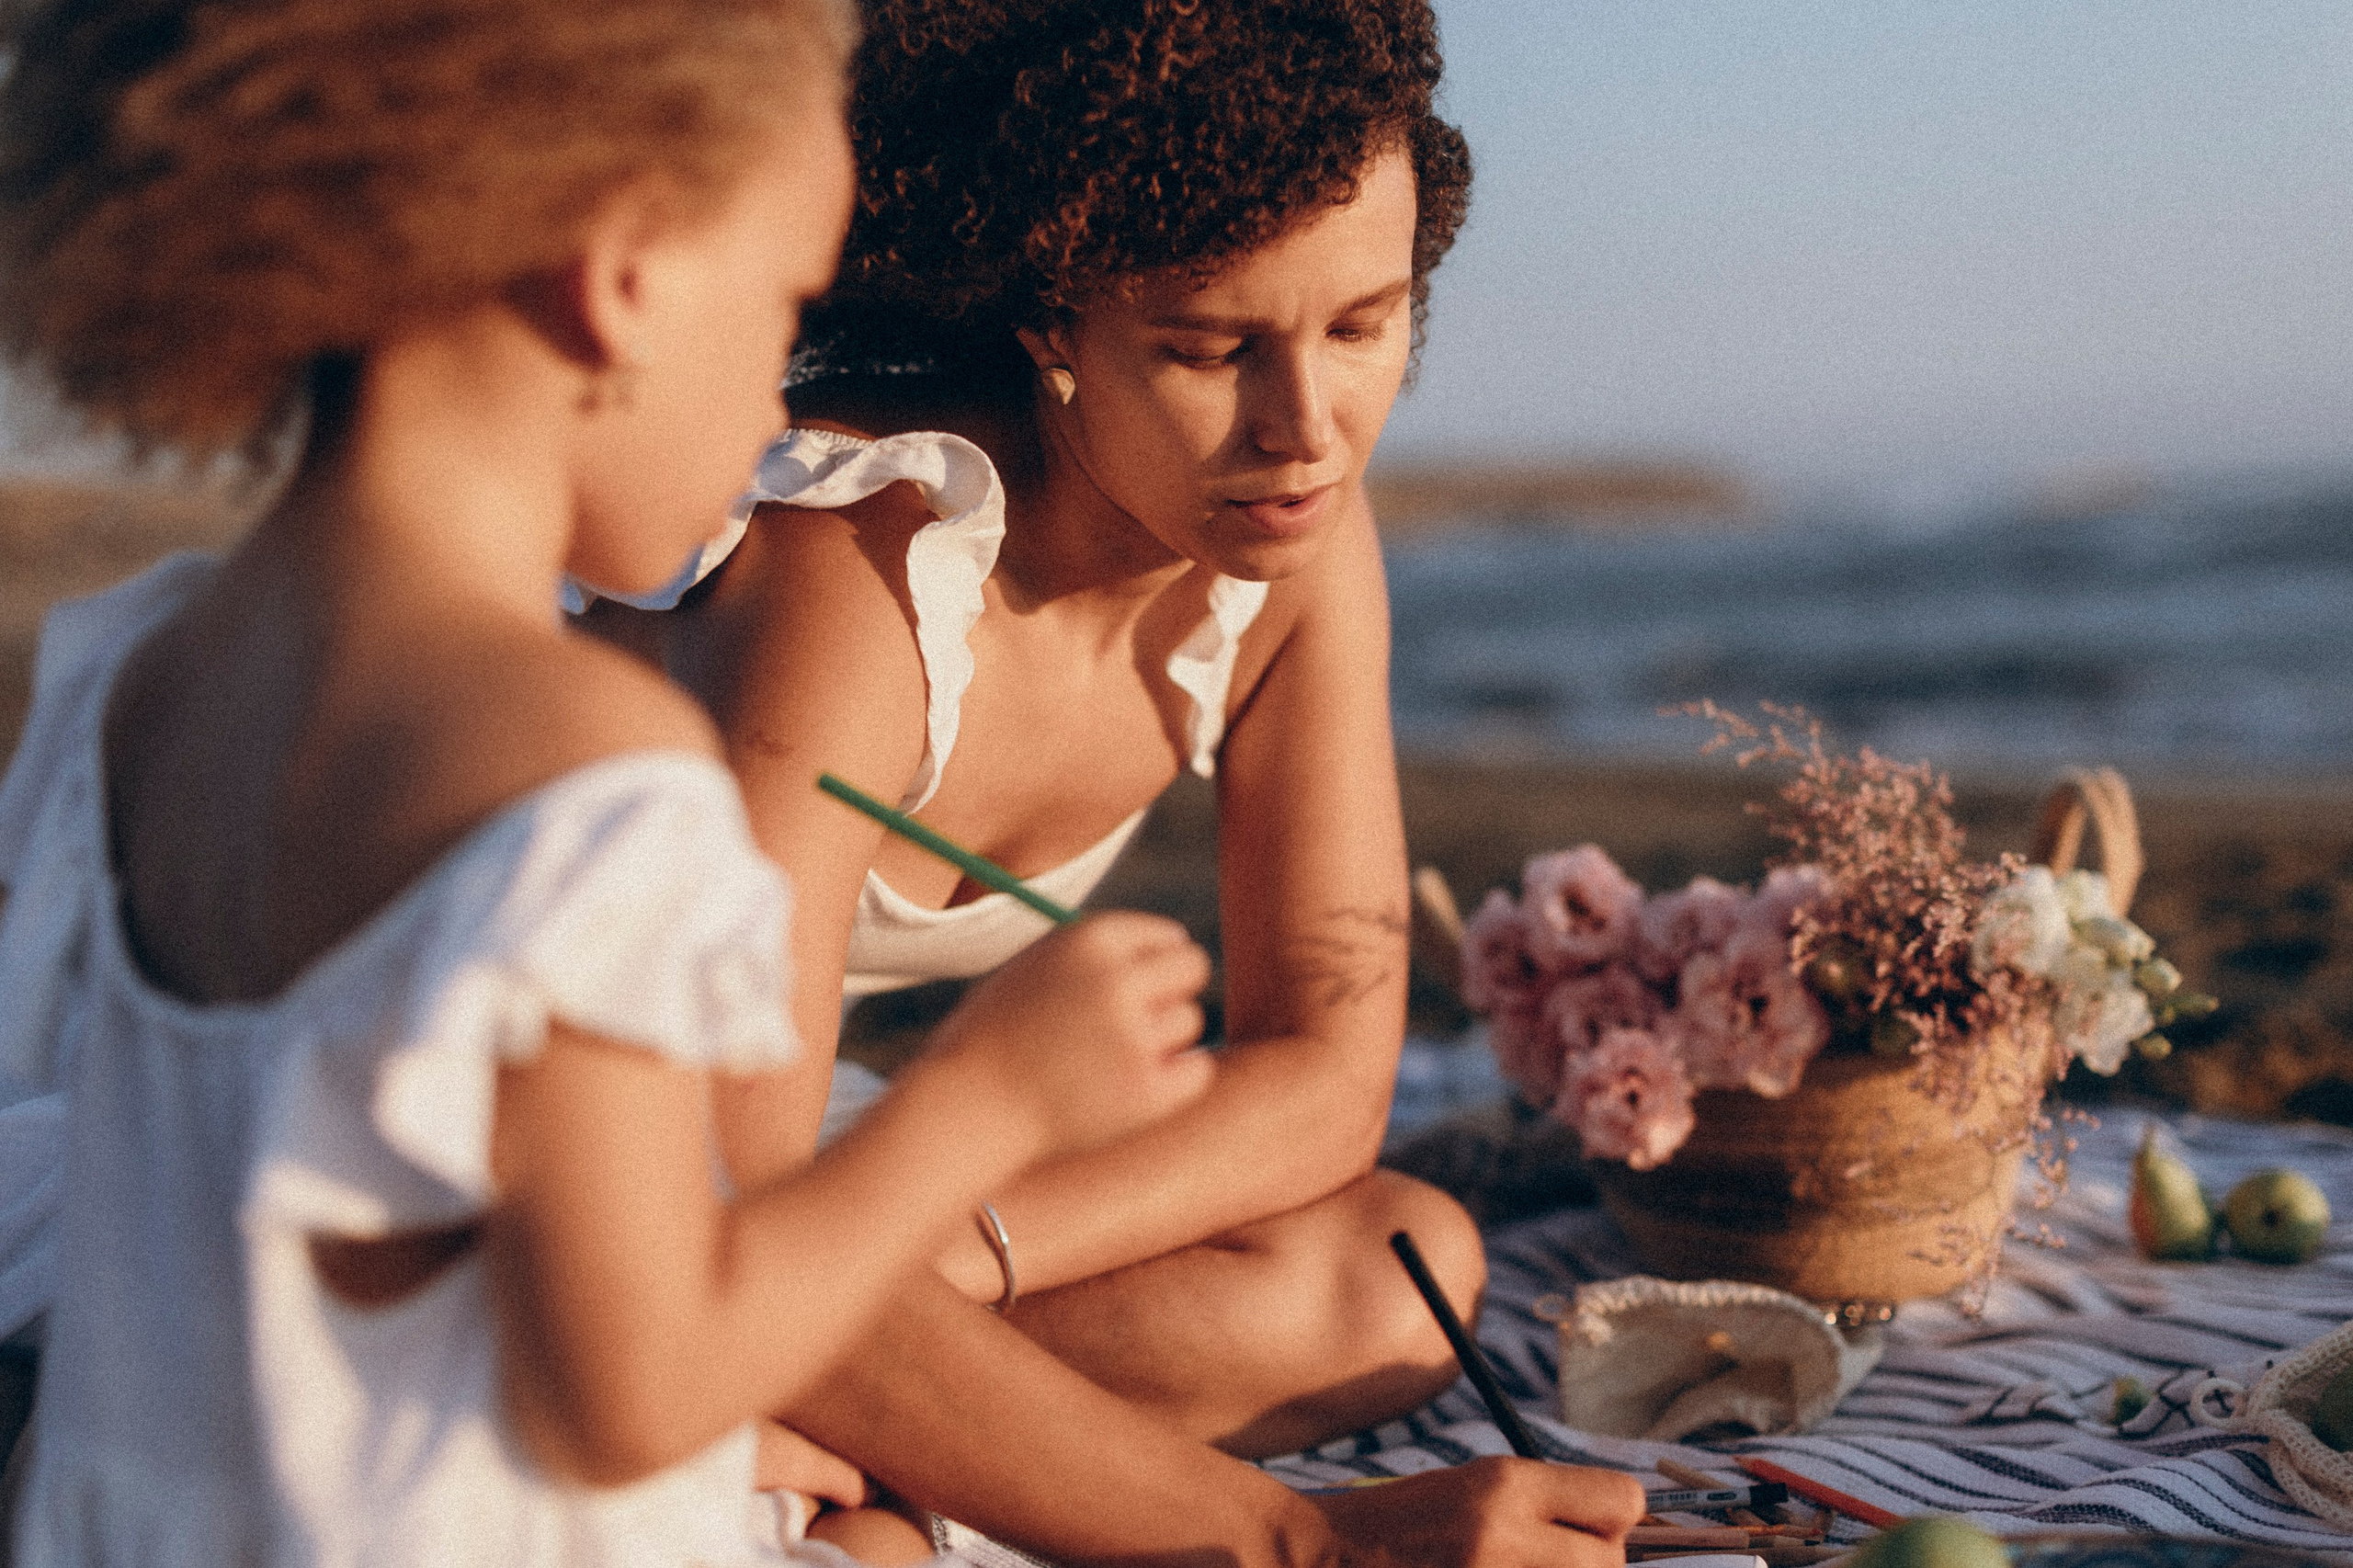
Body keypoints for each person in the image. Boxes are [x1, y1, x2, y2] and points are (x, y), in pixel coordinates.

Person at [0, 0, 1221, 1560]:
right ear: (625, 275)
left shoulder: (147, 672)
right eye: (784, 312)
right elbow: (637, 1388)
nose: (779, 408)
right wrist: (987, 1099)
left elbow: (274, 1245)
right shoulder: (586, 771)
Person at [583, 1, 1647, 1562]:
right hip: (577, 1190)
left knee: (1395, 1271)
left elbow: (1327, 1069)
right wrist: (1305, 1539)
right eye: (1214, 350)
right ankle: (852, 1450)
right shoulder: (857, 572)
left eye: (1364, 326)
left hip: (818, 1203)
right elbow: (722, 1199)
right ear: (1049, 325)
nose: (1306, 431)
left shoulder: (1296, 546)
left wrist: (952, 1257)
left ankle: (847, 1434)